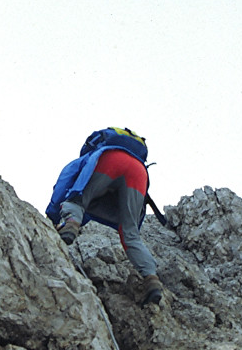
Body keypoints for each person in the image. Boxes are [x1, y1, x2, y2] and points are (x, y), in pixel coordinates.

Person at [46, 127, 164, 305]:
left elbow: (65, 183)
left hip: (109, 161)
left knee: (76, 200)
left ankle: (71, 223)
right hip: (139, 173)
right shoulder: (136, 159)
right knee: (130, 234)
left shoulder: (93, 155)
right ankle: (151, 279)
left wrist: (54, 219)